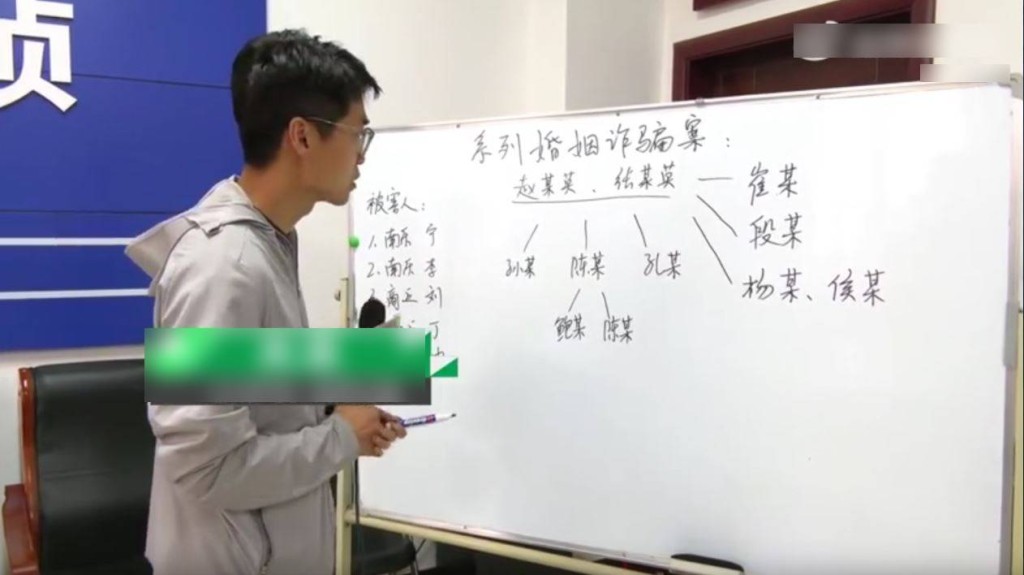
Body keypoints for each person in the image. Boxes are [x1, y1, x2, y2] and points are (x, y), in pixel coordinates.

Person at [124, 29, 405, 575]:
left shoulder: (269, 241)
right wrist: (341, 436)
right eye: (358, 134)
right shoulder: (221, 265)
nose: (361, 156)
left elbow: (259, 401)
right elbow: (204, 469)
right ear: (302, 136)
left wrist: (342, 405)